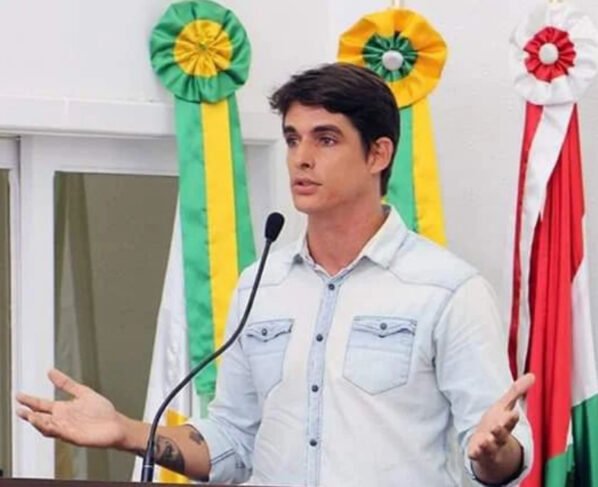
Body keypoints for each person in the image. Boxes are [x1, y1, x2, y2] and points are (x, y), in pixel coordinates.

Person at [17, 63, 534, 486]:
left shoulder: (446, 289)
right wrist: (127, 432)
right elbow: (233, 441)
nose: (301, 159)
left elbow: (503, 453)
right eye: (291, 139)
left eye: (325, 140)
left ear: (378, 153)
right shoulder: (261, 286)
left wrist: (495, 453)